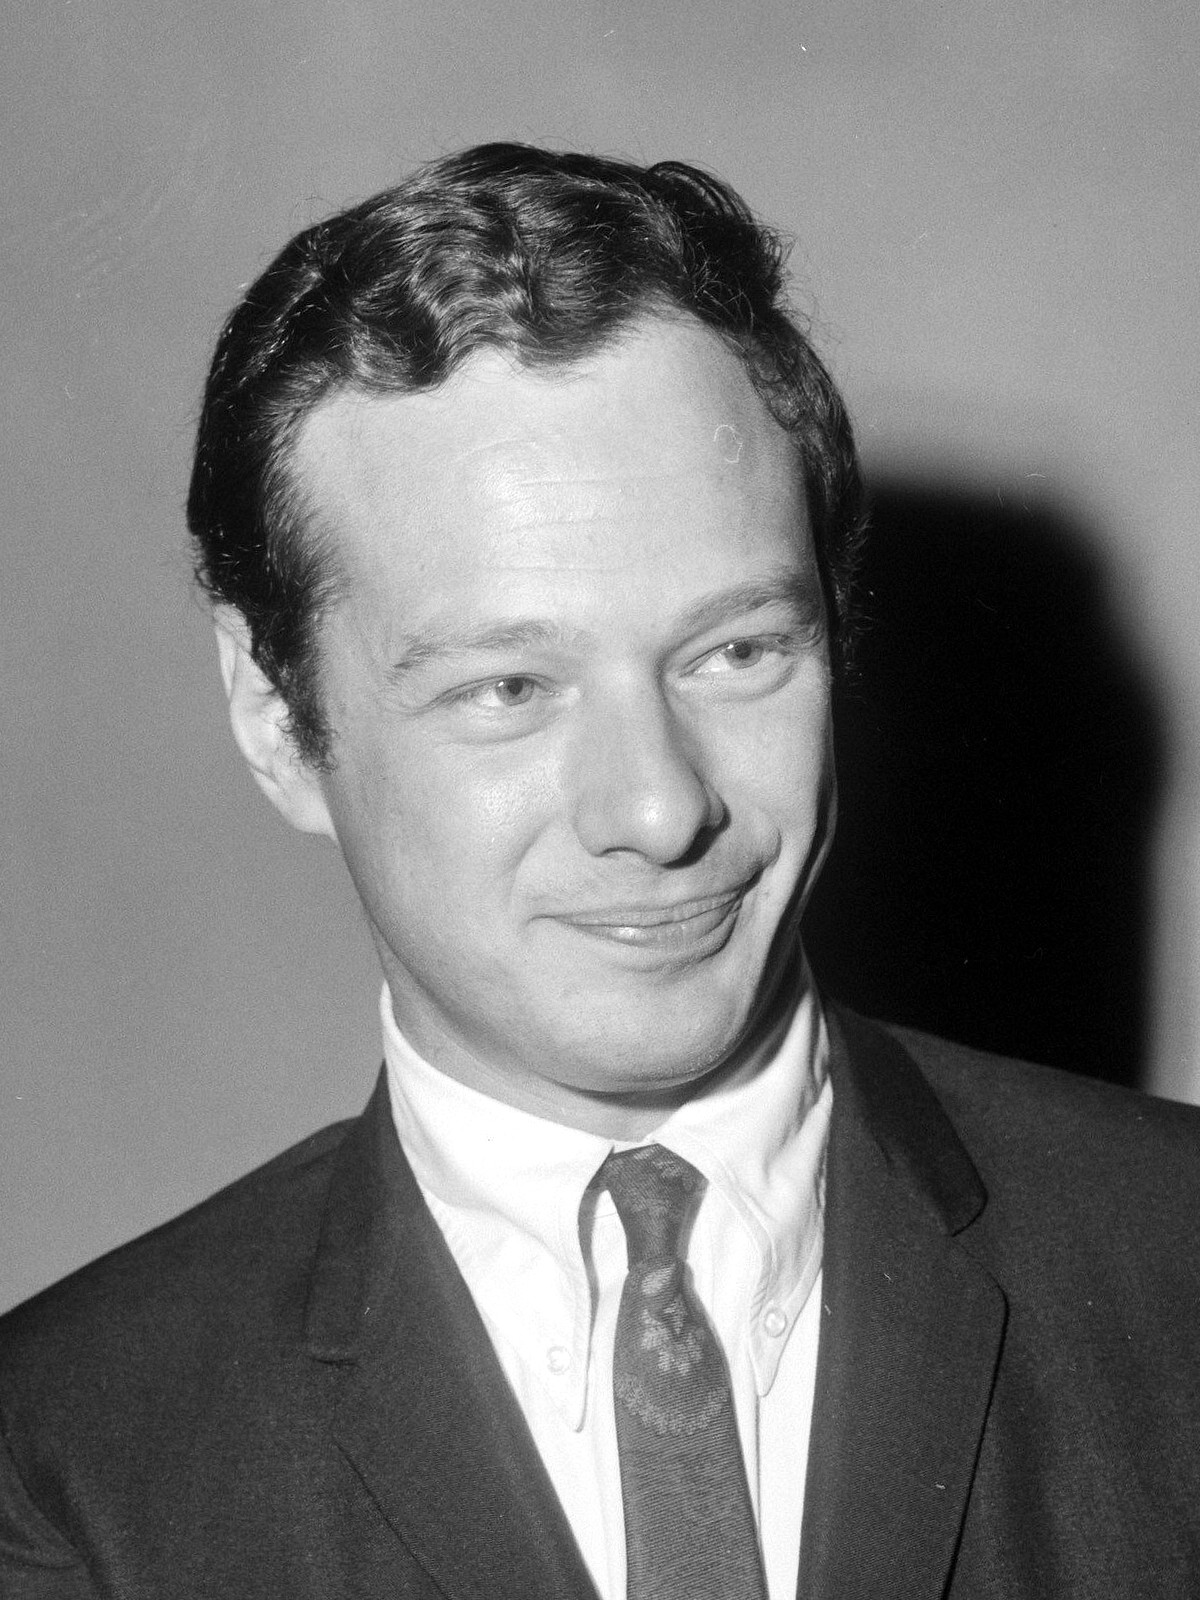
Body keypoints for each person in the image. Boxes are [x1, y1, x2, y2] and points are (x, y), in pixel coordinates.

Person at [1, 142, 1198, 1600]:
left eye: (736, 652)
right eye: (510, 688)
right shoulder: (64, 1466)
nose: (658, 808)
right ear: (276, 718)